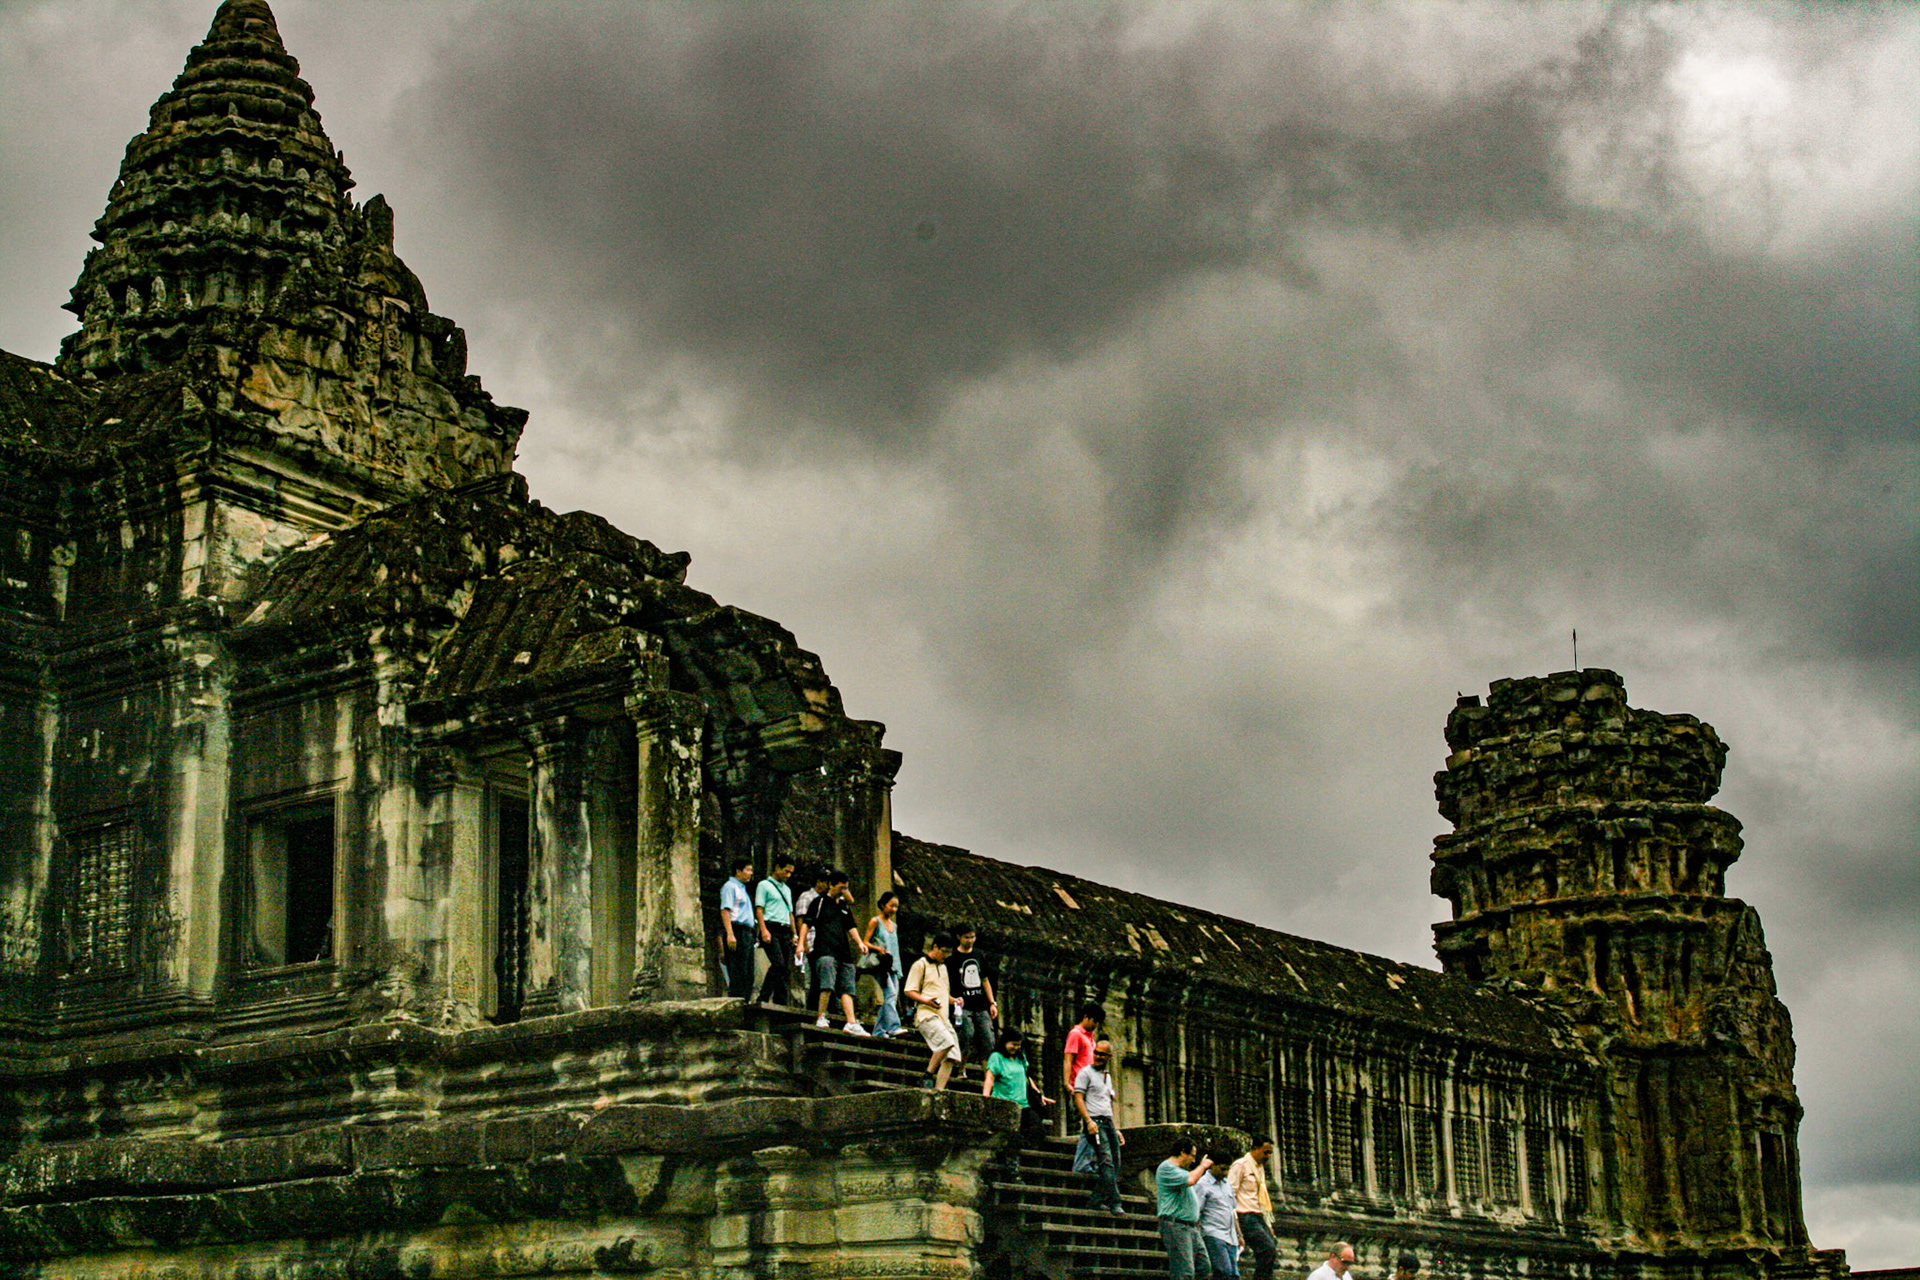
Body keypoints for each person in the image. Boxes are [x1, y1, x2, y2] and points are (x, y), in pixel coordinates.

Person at [981, 1027, 1053, 1176]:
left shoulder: (1021, 1057)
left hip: (1023, 1104)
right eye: (1013, 1044)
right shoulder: (996, 1057)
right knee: (1013, 1136)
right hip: (1005, 1103)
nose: (1015, 1047)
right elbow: (990, 1077)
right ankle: (1011, 1169)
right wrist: (986, 1098)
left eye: (1018, 1044)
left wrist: (1039, 1094)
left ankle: (1028, 1165)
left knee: (1038, 1129)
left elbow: (1027, 1078)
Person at [805, 869, 869, 1033]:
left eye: (845, 888)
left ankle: (851, 1022)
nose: (844, 891)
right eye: (841, 887)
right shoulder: (819, 903)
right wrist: (801, 943)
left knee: (847, 988)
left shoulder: (843, 906)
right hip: (825, 949)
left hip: (843, 952)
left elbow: (851, 926)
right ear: (831, 885)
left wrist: (860, 943)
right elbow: (807, 923)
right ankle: (821, 1016)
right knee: (827, 985)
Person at [1073, 1039, 1126, 1213]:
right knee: (1106, 1161)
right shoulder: (1085, 1073)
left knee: (1116, 1162)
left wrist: (1116, 1128)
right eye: (1096, 1052)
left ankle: (1096, 1199)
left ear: (1109, 1057)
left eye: (1102, 1054)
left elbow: (1106, 1103)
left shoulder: (1107, 1076)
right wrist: (1088, 1121)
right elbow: (1078, 1097)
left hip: (1107, 1121)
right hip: (1094, 1122)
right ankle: (1115, 1201)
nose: (1097, 1056)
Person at [904, 931, 963, 1089]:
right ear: (935, 947)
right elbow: (909, 990)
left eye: (949, 953)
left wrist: (954, 1000)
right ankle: (927, 1074)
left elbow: (943, 993)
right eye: (944, 951)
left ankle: (939, 1090)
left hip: (943, 1017)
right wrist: (927, 1001)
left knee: (953, 1056)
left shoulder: (943, 968)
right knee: (946, 1042)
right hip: (926, 1014)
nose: (946, 955)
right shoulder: (920, 965)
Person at [1154, 1138, 1214, 1279]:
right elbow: (1191, 1180)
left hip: (1191, 1227)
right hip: (1176, 1225)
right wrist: (1203, 1166)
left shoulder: (1181, 1171)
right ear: (1182, 1152)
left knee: (1204, 1268)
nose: (1193, 1161)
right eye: (1192, 1155)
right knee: (1184, 1272)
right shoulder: (1167, 1168)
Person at [1228, 1138, 1279, 1280]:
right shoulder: (1240, 1166)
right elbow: (1230, 1194)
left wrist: (1268, 1223)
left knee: (1272, 1249)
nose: (1268, 1156)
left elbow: (1261, 1198)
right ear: (1255, 1148)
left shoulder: (1259, 1168)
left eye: (1270, 1153)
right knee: (1267, 1250)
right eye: (1266, 1152)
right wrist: (1235, 1223)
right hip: (1244, 1215)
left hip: (1257, 1215)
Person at [950, 924, 998, 1069]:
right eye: (967, 937)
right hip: (963, 1005)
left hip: (981, 1004)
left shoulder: (978, 955)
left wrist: (992, 1002)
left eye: (972, 937)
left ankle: (987, 1076)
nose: (970, 940)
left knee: (988, 1040)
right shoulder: (953, 958)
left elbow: (984, 979)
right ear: (959, 937)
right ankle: (961, 1066)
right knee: (966, 1035)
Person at [753, 853, 797, 1005]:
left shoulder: (787, 890)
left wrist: (794, 933)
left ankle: (781, 1001)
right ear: (777, 868)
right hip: (770, 926)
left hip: (785, 928)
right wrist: (763, 930)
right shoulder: (764, 885)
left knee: (784, 969)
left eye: (791, 872)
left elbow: (790, 913)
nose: (788, 875)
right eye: (786, 871)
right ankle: (763, 997)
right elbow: (759, 909)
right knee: (778, 964)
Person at [862, 891, 905, 1036]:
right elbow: (865, 942)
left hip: (894, 965)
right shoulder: (875, 921)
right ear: (882, 905)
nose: (893, 909)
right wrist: (877, 948)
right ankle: (893, 1027)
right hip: (881, 965)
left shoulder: (894, 926)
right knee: (891, 994)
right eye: (891, 906)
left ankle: (879, 1031)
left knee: (890, 998)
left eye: (896, 907)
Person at [1194, 1153, 1241, 1278]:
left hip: (1230, 1236)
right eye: (1222, 1169)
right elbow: (1196, 1211)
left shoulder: (1227, 1184)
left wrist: (1239, 1234)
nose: (1225, 1173)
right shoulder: (1202, 1184)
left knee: (1234, 1275)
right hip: (1213, 1232)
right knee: (1223, 1270)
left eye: (1227, 1169)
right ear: (1213, 1166)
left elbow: (1232, 1210)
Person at [718, 857, 756, 999]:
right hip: (736, 930)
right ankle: (737, 1000)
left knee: (748, 971)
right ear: (738, 871)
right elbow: (725, 910)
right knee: (738, 970)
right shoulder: (730, 886)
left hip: (747, 932)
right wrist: (730, 934)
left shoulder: (742, 888)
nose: (750, 873)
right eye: (748, 870)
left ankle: (745, 1000)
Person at [794, 864, 830, 1003]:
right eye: (825, 882)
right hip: (811, 941)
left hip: (823, 943)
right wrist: (803, 943)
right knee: (810, 977)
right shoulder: (807, 897)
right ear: (819, 882)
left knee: (821, 977)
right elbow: (801, 920)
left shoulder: (825, 899)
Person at [1063, 1001, 1104, 1097]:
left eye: (1098, 1022)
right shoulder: (1076, 1034)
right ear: (1086, 1017)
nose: (1096, 1025)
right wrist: (1067, 1082)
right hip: (1079, 1085)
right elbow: (1068, 1059)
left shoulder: (1090, 1039)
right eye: (1094, 1021)